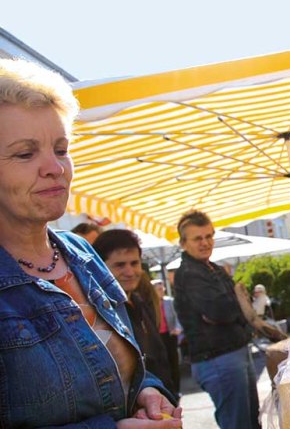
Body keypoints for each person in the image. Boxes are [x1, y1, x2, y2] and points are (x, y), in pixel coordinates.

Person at [0, 58, 181, 427]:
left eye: (61, 149)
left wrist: (146, 390)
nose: (55, 167)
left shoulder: (80, 252)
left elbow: (118, 365)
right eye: (25, 153)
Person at [173, 210, 260, 429]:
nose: (205, 243)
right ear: (184, 243)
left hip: (233, 352)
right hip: (218, 359)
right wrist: (237, 305)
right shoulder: (190, 273)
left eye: (209, 236)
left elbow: (233, 308)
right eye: (197, 238)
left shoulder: (213, 268)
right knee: (238, 424)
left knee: (251, 421)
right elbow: (219, 311)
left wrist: (236, 306)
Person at [93, 229, 178, 401]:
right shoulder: (99, 313)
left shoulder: (139, 302)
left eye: (134, 263)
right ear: (100, 266)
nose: (130, 271)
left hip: (164, 399)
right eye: (120, 265)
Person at [153, 279, 183, 397]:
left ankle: (176, 389)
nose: (160, 291)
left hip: (170, 335)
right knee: (162, 364)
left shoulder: (169, 301)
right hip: (157, 337)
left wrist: (178, 329)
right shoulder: (150, 303)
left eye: (161, 289)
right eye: (158, 289)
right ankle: (167, 390)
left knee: (173, 362)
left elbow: (178, 316)